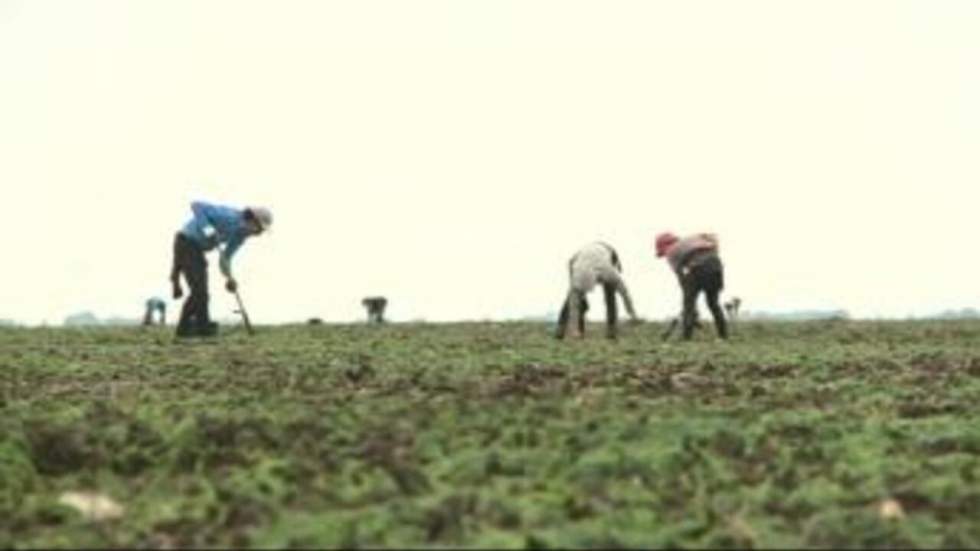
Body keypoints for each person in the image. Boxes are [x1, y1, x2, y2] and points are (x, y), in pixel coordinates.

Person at [170, 201, 272, 338]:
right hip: (185, 242)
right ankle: (201, 329)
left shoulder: (240, 236)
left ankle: (189, 329)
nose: (258, 234)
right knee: (200, 291)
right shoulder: (228, 216)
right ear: (251, 219)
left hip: (198, 250)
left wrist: (229, 278)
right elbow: (196, 205)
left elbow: (226, 258)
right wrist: (208, 229)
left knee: (201, 293)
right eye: (258, 229)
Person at [556, 241, 641, 340]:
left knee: (573, 298)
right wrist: (633, 314)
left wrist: (573, 284)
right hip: (602, 268)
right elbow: (624, 293)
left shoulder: (584, 250)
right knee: (610, 295)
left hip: (581, 270)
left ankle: (563, 329)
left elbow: (570, 263)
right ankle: (611, 330)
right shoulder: (610, 260)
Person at [654, 231, 728, 340]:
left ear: (664, 246)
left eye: (663, 252)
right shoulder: (693, 239)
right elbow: (713, 241)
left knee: (688, 304)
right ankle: (723, 335)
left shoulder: (671, 251)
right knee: (713, 303)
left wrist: (688, 299)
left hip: (699, 268)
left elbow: (680, 276)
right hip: (716, 266)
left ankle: (686, 337)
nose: (665, 255)